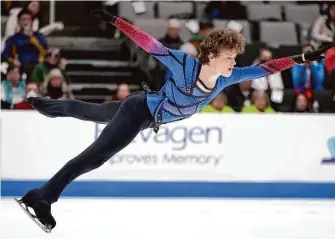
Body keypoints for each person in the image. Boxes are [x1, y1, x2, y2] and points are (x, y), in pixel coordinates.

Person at [18, 9, 334, 232]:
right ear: (212, 55)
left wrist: (302, 58)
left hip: (145, 109)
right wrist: (116, 20)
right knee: (95, 156)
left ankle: (42, 104)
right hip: (139, 111)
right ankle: (41, 197)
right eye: (230, 57)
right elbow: (148, 43)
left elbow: (266, 69)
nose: (234, 63)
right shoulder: (183, 63)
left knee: (89, 111)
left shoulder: (228, 77)